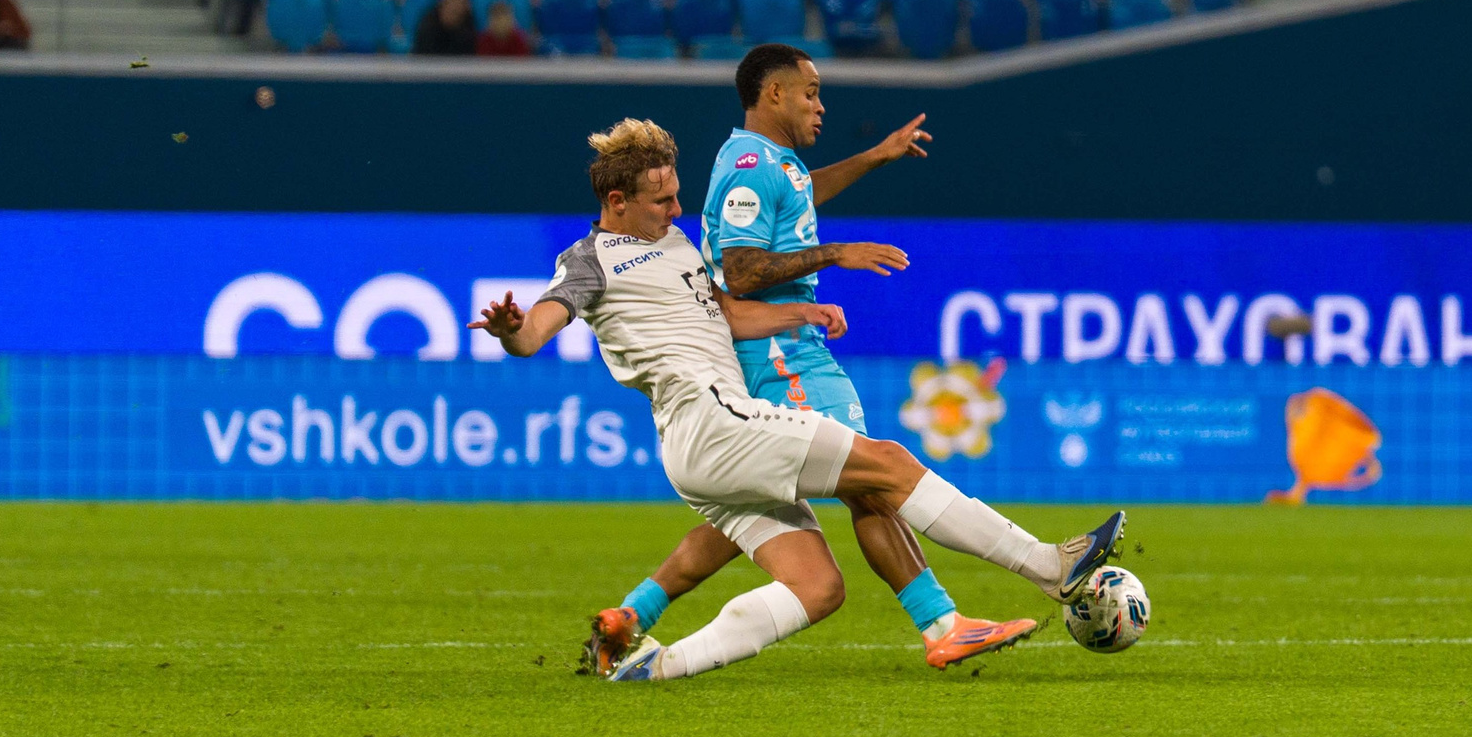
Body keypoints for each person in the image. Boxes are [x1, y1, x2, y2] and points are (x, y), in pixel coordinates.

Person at [473, 116, 1124, 684]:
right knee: (888, 465)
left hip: (699, 443)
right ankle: (1049, 568)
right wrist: (512, 331)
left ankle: (651, 665)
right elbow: (537, 330)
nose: (676, 211)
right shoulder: (588, 259)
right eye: (661, 201)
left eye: (676, 196)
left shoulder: (673, 246)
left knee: (818, 588)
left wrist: (798, 315)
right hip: (710, 420)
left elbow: (725, 314)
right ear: (616, 200)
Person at [578, 46, 1046, 675]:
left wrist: (873, 157)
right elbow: (741, 272)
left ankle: (637, 615)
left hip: (777, 352)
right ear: (773, 95)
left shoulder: (775, 165)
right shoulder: (747, 163)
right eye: (810, 92)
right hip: (777, 355)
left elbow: (796, 196)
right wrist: (835, 254)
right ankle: (955, 617)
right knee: (874, 476)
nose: (820, 106)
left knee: (760, 510)